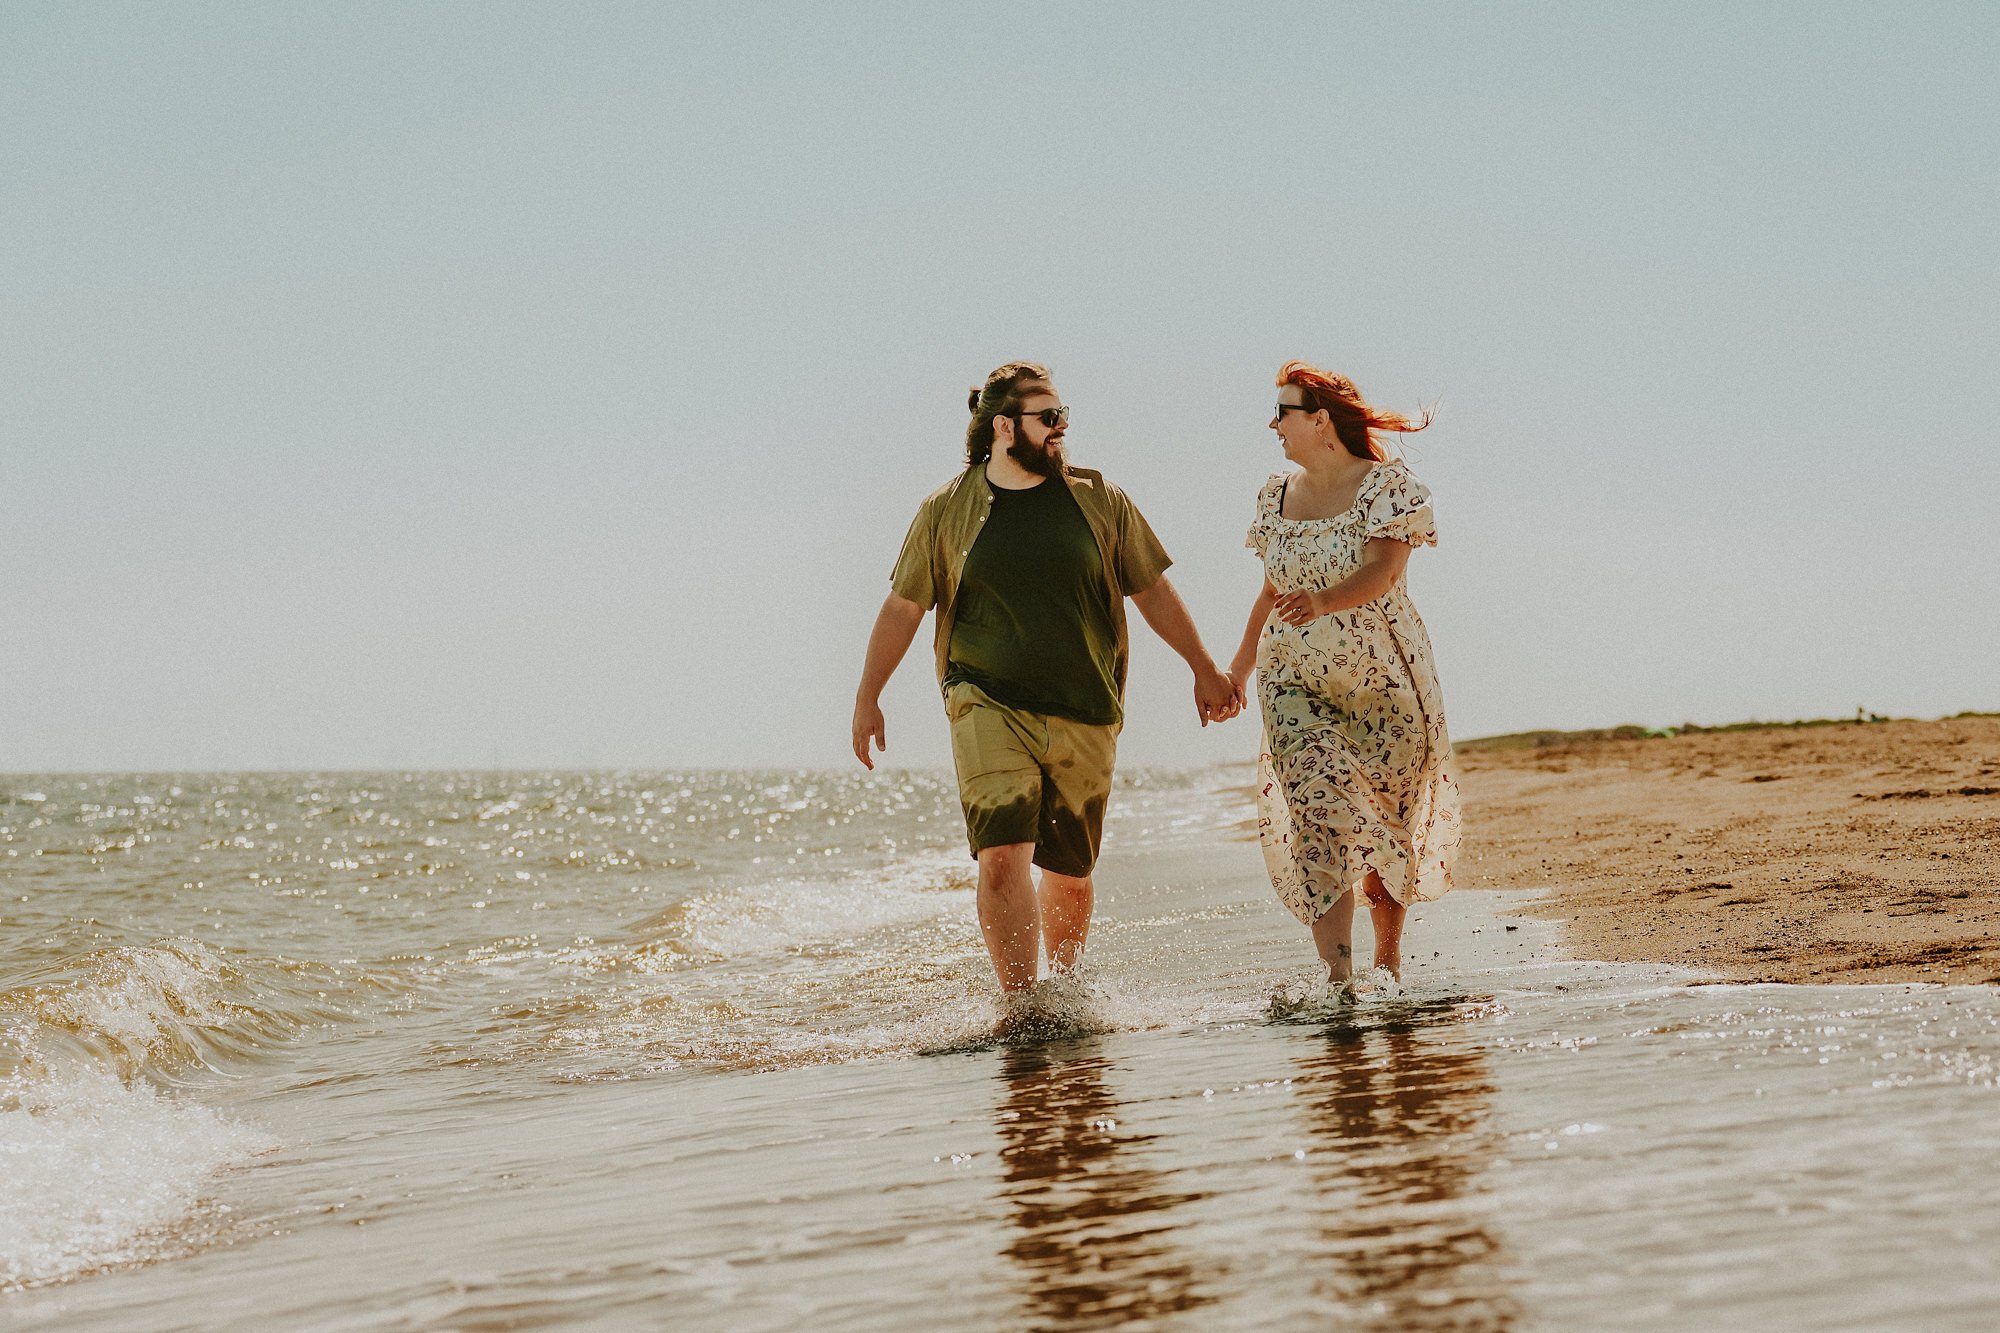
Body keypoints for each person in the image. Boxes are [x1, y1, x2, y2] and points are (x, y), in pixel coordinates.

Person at [853, 361, 1240, 993]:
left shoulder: (1098, 499)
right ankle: (1022, 1007)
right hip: (984, 698)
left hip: (1086, 704)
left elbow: (1152, 589)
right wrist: (869, 696)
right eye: (1049, 418)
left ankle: (1063, 998)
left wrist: (1204, 669)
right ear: (1004, 426)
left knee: (1069, 872)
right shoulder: (946, 511)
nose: (1061, 430)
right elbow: (903, 606)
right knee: (1003, 855)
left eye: (1064, 417)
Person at [1226, 361, 1463, 989]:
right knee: (1320, 817)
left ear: (1320, 420)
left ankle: (1387, 965)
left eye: (1283, 411)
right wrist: (1236, 671)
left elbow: (1384, 572)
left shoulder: (1389, 487)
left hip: (1386, 684)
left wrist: (1324, 600)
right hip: (1294, 684)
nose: (1273, 424)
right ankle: (1341, 979)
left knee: (1388, 823)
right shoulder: (1275, 495)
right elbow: (1270, 591)